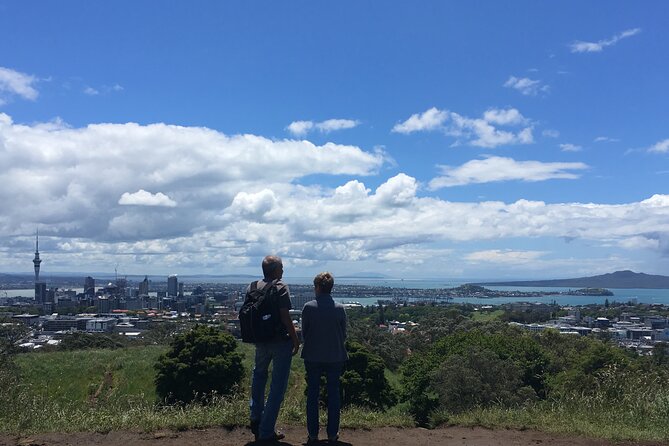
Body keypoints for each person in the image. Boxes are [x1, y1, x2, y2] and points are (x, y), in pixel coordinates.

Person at [249, 255, 300, 442]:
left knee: (259, 376)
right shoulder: (280, 287)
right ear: (275, 270)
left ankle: (255, 417)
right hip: (279, 342)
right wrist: (295, 339)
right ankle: (266, 430)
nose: (283, 270)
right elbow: (285, 317)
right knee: (277, 386)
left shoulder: (253, 286)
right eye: (281, 267)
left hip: (260, 341)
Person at [301, 272, 348, 444]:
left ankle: (313, 434)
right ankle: (332, 434)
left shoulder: (308, 307)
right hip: (335, 356)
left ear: (318, 287)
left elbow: (304, 333)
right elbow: (343, 334)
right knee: (334, 394)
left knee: (313, 394)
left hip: (313, 355)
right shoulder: (339, 308)